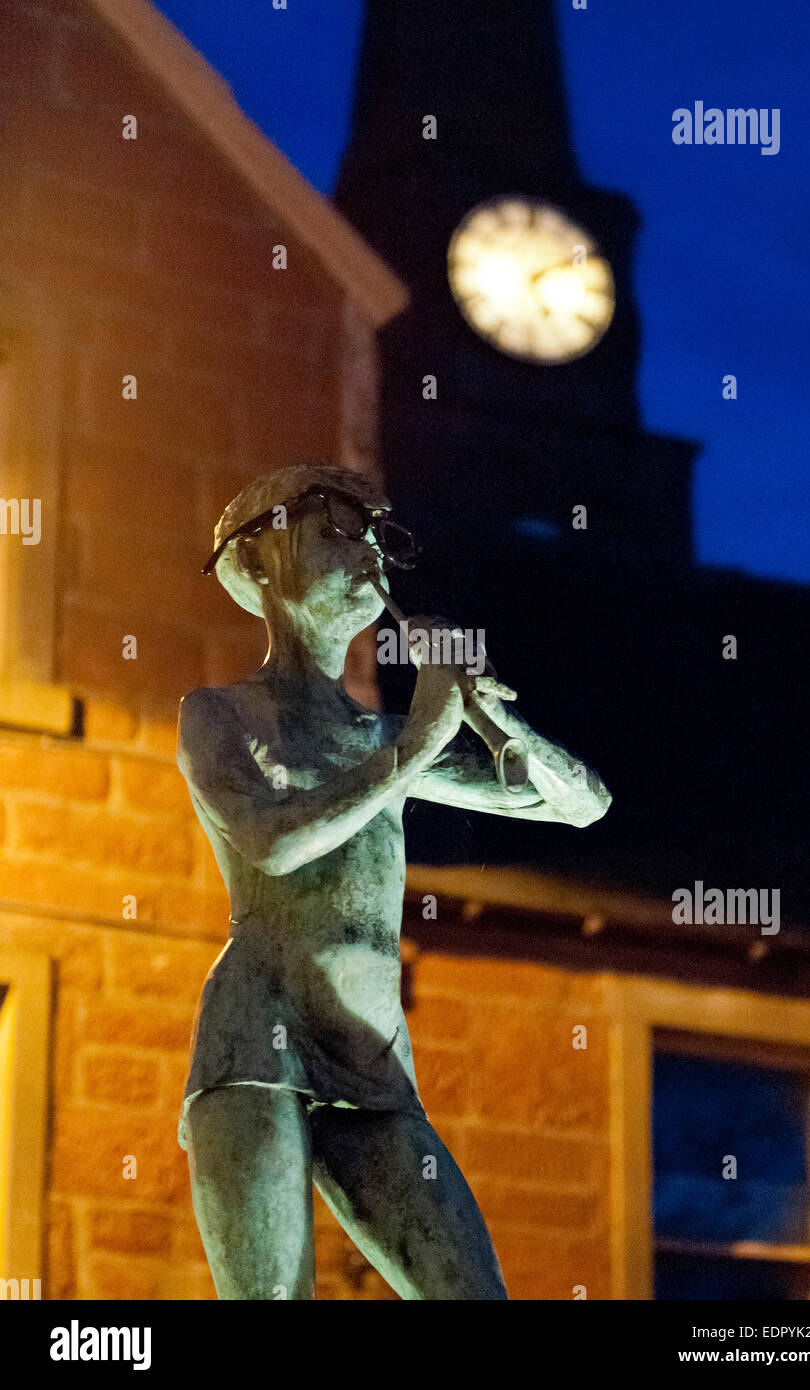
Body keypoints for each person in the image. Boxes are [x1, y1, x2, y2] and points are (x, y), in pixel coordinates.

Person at [177, 462, 612, 1300]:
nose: (367, 547)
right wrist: (417, 743)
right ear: (263, 563)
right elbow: (270, 845)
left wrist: (491, 719)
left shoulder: (382, 734)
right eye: (334, 526)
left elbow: (581, 806)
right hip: (256, 1041)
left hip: (371, 1056)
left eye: (375, 531)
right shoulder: (219, 715)